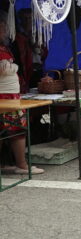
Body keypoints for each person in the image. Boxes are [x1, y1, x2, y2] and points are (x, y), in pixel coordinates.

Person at [0, 16, 44, 175]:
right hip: (3, 98)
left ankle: (10, 163)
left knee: (14, 129)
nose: (5, 31)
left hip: (11, 95)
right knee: (16, 129)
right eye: (3, 27)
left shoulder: (5, 48)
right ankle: (21, 164)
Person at [12, 8, 47, 92]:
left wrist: (39, 48)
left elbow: (44, 54)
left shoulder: (38, 35)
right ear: (21, 20)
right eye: (25, 18)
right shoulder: (17, 37)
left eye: (30, 18)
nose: (28, 21)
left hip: (38, 70)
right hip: (25, 72)